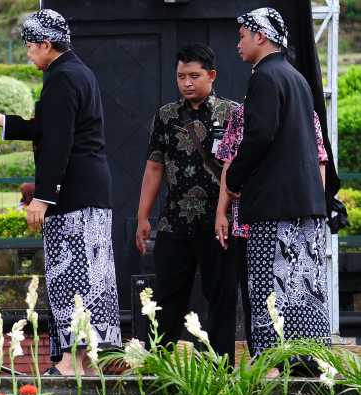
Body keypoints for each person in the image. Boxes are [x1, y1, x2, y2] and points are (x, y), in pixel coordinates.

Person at [0, 9, 121, 376]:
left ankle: (70, 360)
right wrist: (2, 120)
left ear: (46, 44)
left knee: (72, 276)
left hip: (72, 194)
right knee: (93, 275)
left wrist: (43, 196)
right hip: (91, 192)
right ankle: (86, 360)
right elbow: (50, 126)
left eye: (29, 46)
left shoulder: (62, 77)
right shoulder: (77, 72)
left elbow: (58, 142)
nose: (27, 53)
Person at [226, 7, 331, 359]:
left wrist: (234, 178)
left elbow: (259, 135)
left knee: (268, 287)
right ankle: (310, 361)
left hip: (274, 206)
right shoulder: (297, 78)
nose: (238, 43)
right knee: (303, 287)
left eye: (242, 36)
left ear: (261, 36)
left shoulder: (264, 77)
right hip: (306, 205)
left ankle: (271, 365)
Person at [135, 43, 238, 360]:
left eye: (194, 75)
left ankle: (221, 367)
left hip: (218, 222)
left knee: (220, 298)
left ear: (212, 75)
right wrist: (143, 217)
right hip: (174, 221)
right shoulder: (166, 116)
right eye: (181, 76)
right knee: (166, 298)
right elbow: (154, 165)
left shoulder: (232, 113)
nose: (187, 83)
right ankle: (159, 367)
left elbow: (239, 168)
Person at [215, 104, 328, 356]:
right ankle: (263, 359)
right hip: (248, 221)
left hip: (295, 221)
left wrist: (317, 206)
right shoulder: (242, 115)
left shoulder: (306, 114)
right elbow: (229, 163)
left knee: (299, 291)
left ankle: (301, 357)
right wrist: (221, 211)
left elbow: (320, 160)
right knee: (255, 297)